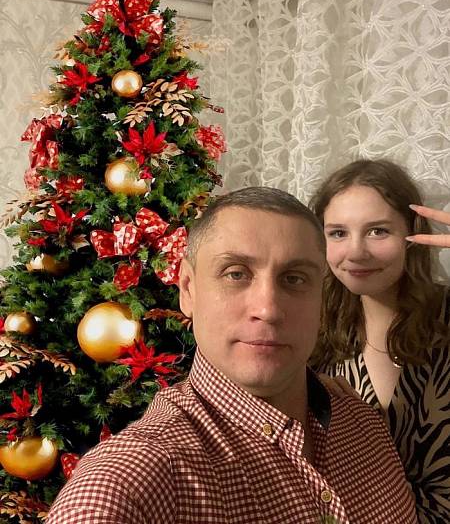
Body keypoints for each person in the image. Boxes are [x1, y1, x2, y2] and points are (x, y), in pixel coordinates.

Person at [47, 187, 418, 524]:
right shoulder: (135, 477)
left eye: (294, 278)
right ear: (188, 289)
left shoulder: (362, 425)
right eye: (236, 274)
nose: (268, 309)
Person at [309, 159, 450, 524]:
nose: (356, 252)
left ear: (412, 233)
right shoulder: (311, 332)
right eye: (338, 233)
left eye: (377, 231)